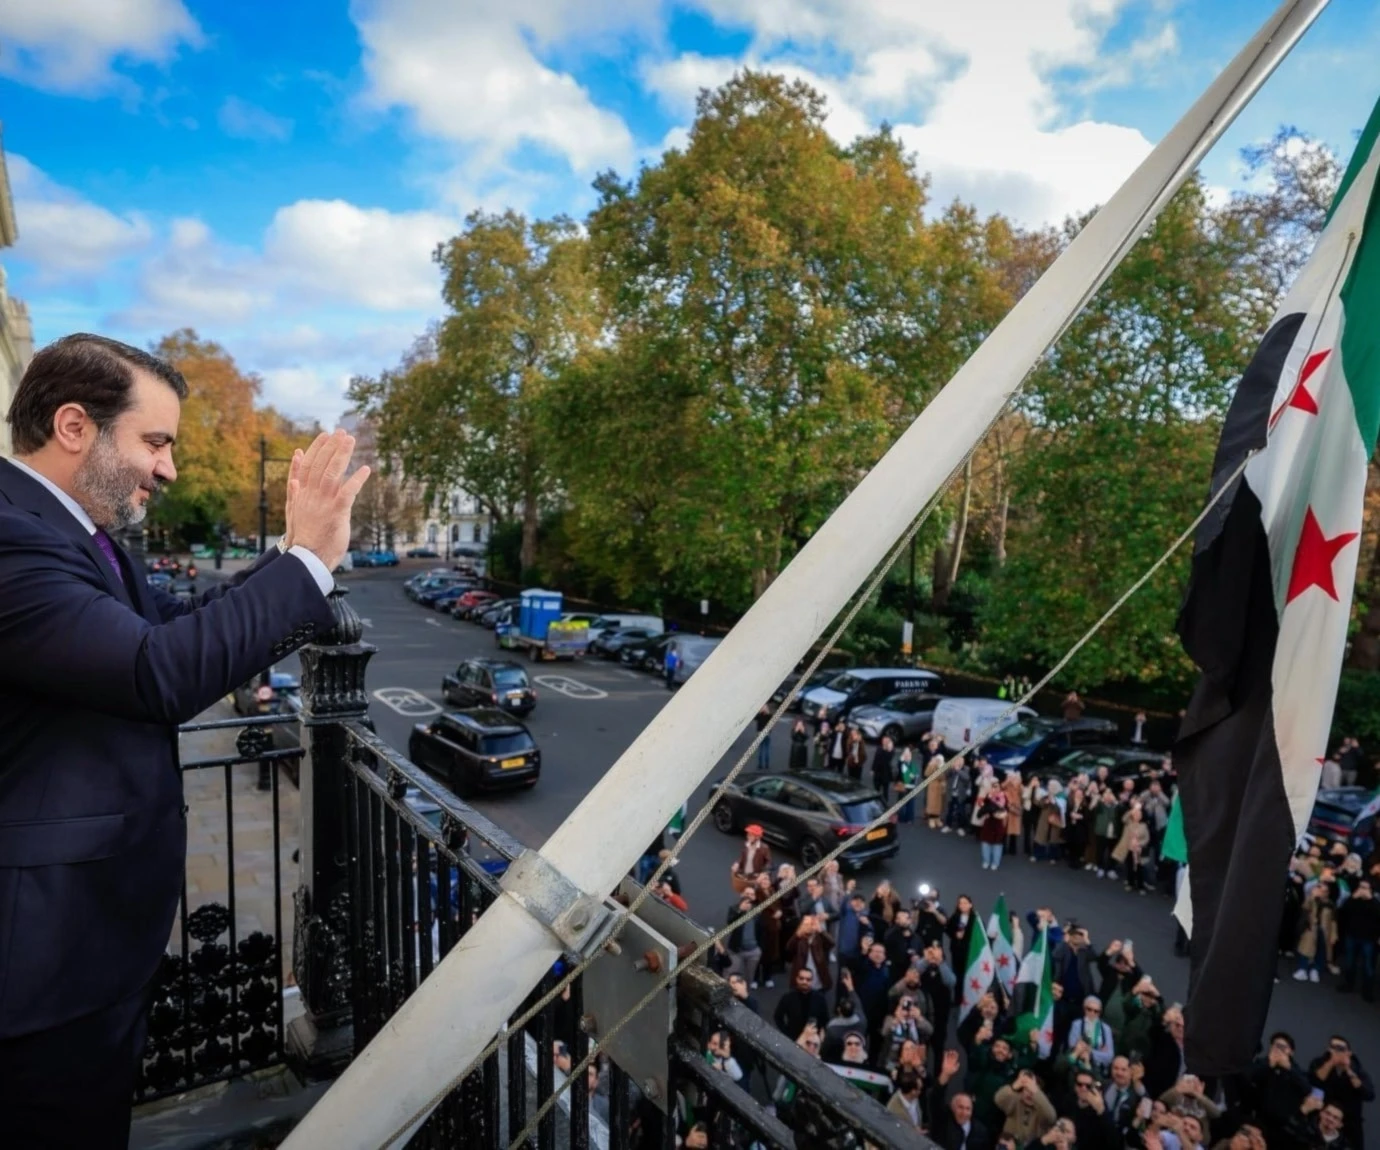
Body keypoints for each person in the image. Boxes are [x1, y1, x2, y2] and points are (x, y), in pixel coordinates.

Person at [0, 334, 369, 1147]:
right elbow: (156, 671)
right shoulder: (11, 535)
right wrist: (305, 558)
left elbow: (171, 624)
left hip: (86, 951)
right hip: (41, 967)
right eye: (154, 441)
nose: (167, 468)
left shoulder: (77, 533)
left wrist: (291, 563)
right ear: (73, 426)